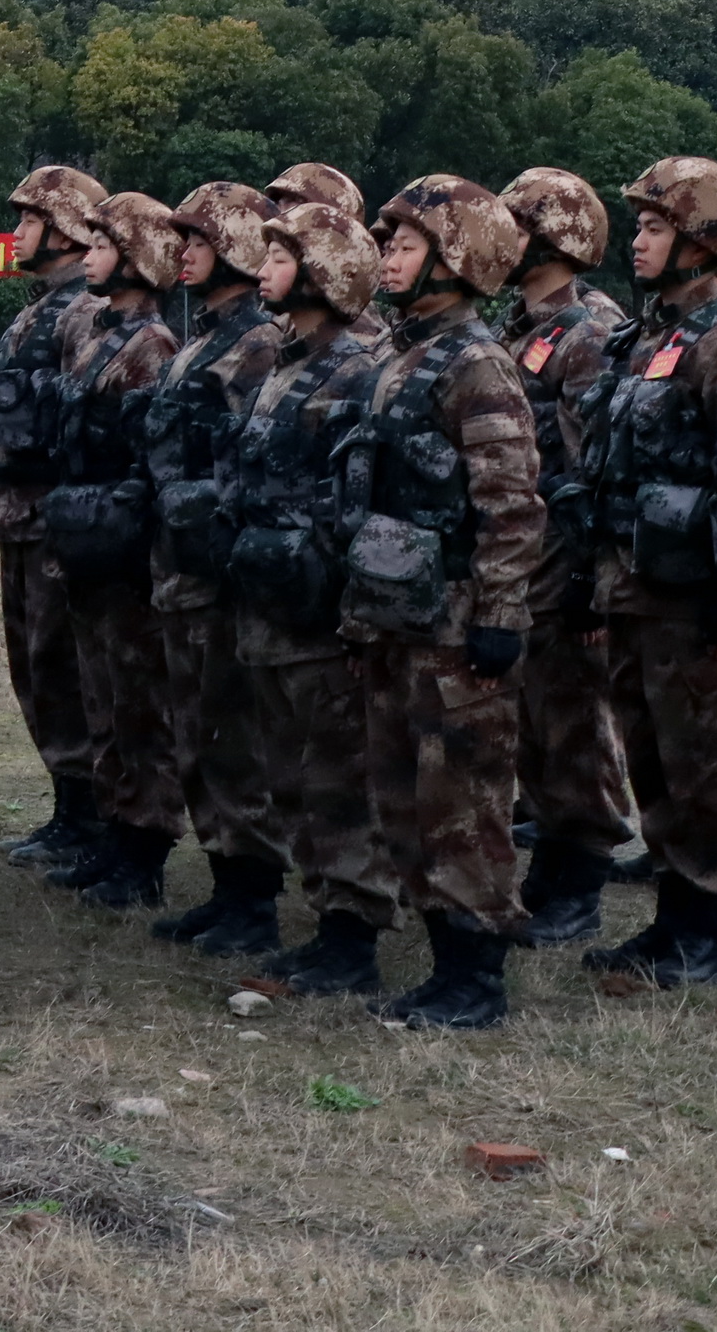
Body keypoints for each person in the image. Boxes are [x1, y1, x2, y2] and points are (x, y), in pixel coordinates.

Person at [345, 177, 546, 1029]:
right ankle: (441, 961)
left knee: (462, 804)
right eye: (388, 242)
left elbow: (512, 502)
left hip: (458, 621)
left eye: (407, 243)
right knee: (405, 796)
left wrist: (501, 614)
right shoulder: (402, 353)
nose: (389, 256)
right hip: (396, 612)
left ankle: (475, 975)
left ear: (457, 256)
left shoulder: (477, 364)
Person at [581, 153, 717, 988]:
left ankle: (703, 932)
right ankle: (670, 922)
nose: (639, 242)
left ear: (705, 240)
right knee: (652, 752)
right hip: (634, 582)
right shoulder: (650, 335)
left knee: (706, 762)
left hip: (695, 594)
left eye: (658, 228)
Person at [225, 201, 397, 994]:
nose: (264, 269)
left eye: (283, 258)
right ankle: (324, 912)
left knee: (337, 776)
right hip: (271, 598)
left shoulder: (363, 369)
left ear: (325, 273)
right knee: (288, 770)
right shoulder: (285, 363)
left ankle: (351, 933)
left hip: (324, 612)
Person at [140, 182, 292, 955]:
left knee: (235, 737)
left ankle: (253, 895)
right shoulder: (198, 338)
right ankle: (227, 881)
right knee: (197, 733)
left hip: (222, 576)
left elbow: (255, 459)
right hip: (181, 567)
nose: (183, 252)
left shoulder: (258, 342)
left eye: (198, 239)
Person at [496, 167, 641, 944]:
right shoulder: (516, 330)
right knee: (534, 730)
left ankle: (578, 880)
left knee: (573, 731)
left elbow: (593, 470)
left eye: (515, 228)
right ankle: (549, 869)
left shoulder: (583, 336)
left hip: (563, 567)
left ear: (555, 241)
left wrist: (587, 584)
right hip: (522, 567)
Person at [36, 192, 185, 909]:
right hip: (87, 543)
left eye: (101, 245)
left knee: (137, 706)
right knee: (101, 701)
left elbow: (149, 460)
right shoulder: (101, 333)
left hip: (123, 557)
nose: (87, 254)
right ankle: (114, 833)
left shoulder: (151, 345)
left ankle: (144, 848)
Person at [0, 164, 109, 871]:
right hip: (18, 514)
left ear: (66, 228)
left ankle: (93, 819)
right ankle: (67, 810)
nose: (15, 232)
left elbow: (84, 421)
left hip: (55, 519)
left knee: (66, 668)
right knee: (35, 668)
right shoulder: (34, 312)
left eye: (27, 220)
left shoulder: (84, 313)